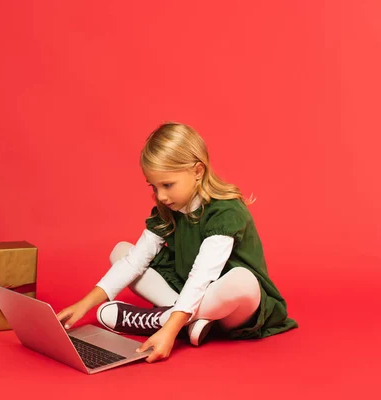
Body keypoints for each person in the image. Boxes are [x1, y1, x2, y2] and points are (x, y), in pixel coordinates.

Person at [56, 123, 297, 363]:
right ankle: (191, 322)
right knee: (121, 251)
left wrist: (168, 330)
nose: (160, 196)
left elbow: (203, 274)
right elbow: (134, 261)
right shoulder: (168, 209)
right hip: (187, 292)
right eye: (154, 186)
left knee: (243, 281)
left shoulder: (226, 211)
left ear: (198, 171)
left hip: (233, 307)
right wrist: (83, 305)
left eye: (167, 185)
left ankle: (163, 319)